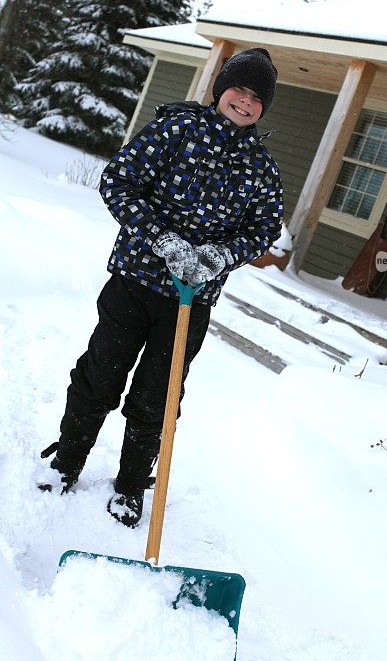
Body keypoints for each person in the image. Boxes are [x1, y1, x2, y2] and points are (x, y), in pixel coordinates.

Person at [39, 47, 283, 527]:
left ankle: (130, 486)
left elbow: (264, 228)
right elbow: (119, 182)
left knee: (160, 394)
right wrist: (161, 240)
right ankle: (67, 462)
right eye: (239, 89)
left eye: (257, 97)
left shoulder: (261, 167)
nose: (246, 101)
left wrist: (221, 256)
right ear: (220, 90)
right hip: (135, 281)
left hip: (192, 301)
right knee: (101, 373)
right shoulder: (176, 130)